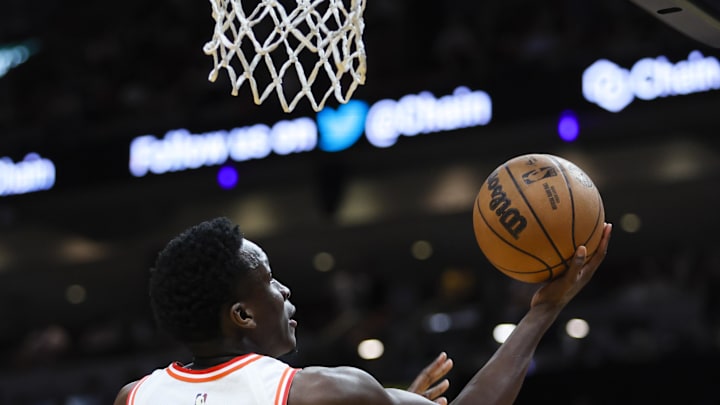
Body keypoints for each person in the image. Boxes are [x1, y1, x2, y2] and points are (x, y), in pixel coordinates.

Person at [113, 217, 612, 405]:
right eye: (269, 281)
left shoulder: (134, 397)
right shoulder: (320, 393)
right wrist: (544, 310)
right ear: (242, 315)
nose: (285, 291)